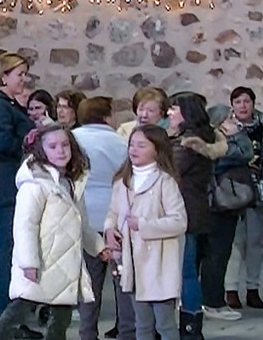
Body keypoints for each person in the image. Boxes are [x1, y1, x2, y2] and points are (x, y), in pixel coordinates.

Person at [0, 123, 106, 340]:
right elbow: (25, 225)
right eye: (53, 146)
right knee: (18, 311)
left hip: (65, 264)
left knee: (60, 320)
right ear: (41, 151)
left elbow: (81, 223)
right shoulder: (34, 185)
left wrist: (98, 247)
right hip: (42, 261)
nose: (60, 151)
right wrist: (29, 262)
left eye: (65, 145)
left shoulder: (70, 185)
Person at [105, 125, 187, 340]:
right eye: (132, 144)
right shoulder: (122, 182)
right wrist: (109, 230)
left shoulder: (165, 182)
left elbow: (179, 221)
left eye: (141, 145)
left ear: (157, 150)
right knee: (141, 324)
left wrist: (143, 225)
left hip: (158, 265)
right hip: (133, 265)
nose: (134, 149)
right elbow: (113, 212)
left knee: (165, 324)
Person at [0, 51, 35, 328]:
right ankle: (0, 309)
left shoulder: (5, 104)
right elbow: (2, 142)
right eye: (19, 74)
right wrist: (29, 143)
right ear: (4, 76)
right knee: (7, 244)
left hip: (7, 179)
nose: (24, 79)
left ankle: (7, 309)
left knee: (11, 243)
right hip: (6, 180)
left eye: (25, 74)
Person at [165, 93, 224, 340]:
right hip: (193, 209)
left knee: (186, 270)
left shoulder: (188, 143)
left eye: (173, 109)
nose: (169, 113)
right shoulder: (194, 139)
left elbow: (170, 172)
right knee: (186, 269)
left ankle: (190, 326)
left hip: (185, 211)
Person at [72, 97, 131, 340]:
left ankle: (87, 332)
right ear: (106, 116)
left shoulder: (72, 139)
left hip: (83, 213)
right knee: (123, 281)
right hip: (114, 215)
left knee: (89, 281)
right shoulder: (119, 142)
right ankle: (128, 331)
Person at [223, 87, 263, 311]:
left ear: (253, 103)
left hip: (260, 189)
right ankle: (231, 289)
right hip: (234, 189)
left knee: (254, 241)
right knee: (235, 241)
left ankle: (253, 287)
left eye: (246, 101)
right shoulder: (225, 127)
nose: (243, 106)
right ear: (232, 105)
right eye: (238, 102)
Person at [198, 107, 252, 322]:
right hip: (218, 207)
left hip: (211, 206)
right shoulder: (219, 145)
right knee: (216, 255)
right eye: (229, 117)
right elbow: (245, 153)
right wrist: (237, 134)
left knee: (210, 255)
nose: (234, 120)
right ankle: (213, 302)